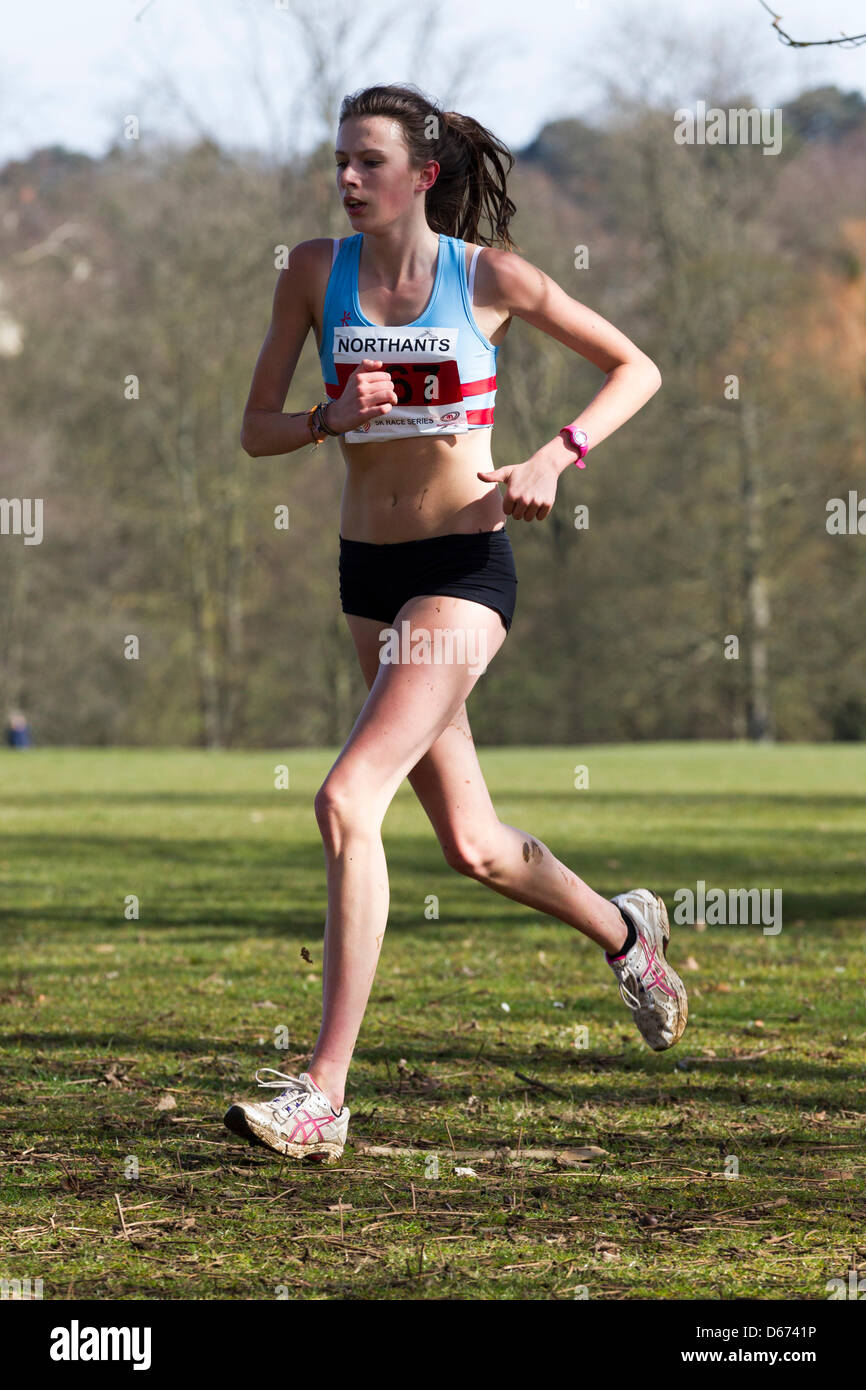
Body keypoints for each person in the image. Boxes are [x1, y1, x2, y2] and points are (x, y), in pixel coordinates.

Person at [224, 83, 687, 1162]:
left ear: (421, 175)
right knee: (471, 845)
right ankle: (628, 935)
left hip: (465, 567)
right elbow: (253, 428)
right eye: (338, 159)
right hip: (366, 576)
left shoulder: (489, 278)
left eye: (367, 162)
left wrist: (554, 455)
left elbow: (637, 367)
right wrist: (322, 419)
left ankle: (322, 1096)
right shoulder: (308, 273)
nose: (345, 178)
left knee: (346, 799)